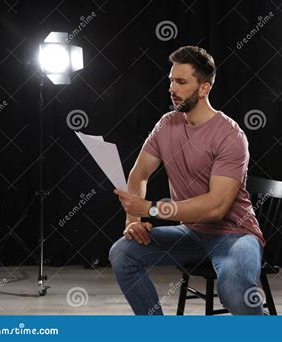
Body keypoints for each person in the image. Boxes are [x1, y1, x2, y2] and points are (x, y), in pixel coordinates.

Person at [109, 46, 265, 315]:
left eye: (181, 82)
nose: (172, 87)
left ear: (204, 88)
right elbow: (138, 174)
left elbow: (216, 206)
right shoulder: (166, 124)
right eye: (171, 80)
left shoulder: (230, 135)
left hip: (235, 235)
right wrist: (133, 221)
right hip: (191, 234)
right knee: (122, 253)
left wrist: (150, 209)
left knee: (234, 290)